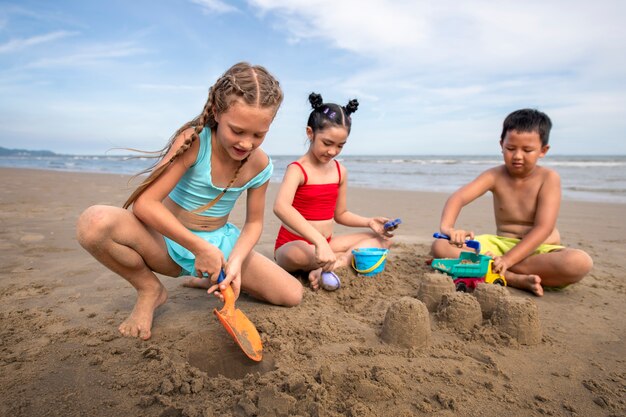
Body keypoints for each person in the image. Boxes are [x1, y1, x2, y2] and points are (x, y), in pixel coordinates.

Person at [76, 62, 303, 340]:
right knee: (93, 222)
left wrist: (235, 262)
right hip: (167, 242)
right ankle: (149, 290)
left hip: (219, 248)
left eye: (258, 134)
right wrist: (198, 248)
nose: (246, 143)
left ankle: (208, 277)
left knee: (292, 294)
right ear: (218, 113)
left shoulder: (261, 165)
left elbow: (254, 223)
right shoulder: (194, 142)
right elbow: (145, 204)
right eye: (237, 131)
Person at [431, 108, 593, 296]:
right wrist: (448, 228)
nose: (517, 156)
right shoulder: (494, 175)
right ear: (501, 145)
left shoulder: (549, 178)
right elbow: (458, 198)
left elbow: (543, 228)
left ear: (543, 150)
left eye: (527, 150)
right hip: (499, 244)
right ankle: (512, 278)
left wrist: (507, 260)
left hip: (537, 248)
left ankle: (493, 269)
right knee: (440, 246)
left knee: (578, 262)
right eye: (510, 149)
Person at [273, 93, 393, 290]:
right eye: (327, 143)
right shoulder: (297, 169)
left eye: (340, 146)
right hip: (295, 245)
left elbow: (341, 214)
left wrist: (369, 221)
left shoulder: (340, 171)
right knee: (300, 254)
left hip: (327, 245)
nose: (333, 151)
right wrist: (318, 241)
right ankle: (335, 261)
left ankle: (334, 263)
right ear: (310, 133)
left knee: (383, 240)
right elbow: (280, 207)